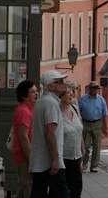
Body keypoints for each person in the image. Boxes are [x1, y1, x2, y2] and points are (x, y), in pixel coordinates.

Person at [29, 70, 69, 198]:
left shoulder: (42, 101)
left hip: (41, 161)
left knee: (39, 192)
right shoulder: (51, 103)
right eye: (59, 81)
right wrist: (56, 159)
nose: (63, 83)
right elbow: (50, 133)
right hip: (49, 162)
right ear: (50, 86)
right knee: (61, 193)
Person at [11, 80, 38, 198]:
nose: (36, 94)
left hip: (25, 155)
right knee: (27, 185)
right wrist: (31, 159)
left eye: (36, 91)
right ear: (24, 95)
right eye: (32, 92)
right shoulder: (23, 111)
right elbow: (24, 138)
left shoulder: (29, 109)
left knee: (24, 185)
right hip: (24, 156)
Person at [78, 81, 108, 173]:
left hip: (97, 123)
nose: (95, 90)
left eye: (96, 89)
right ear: (89, 89)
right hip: (85, 123)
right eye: (93, 88)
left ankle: (94, 166)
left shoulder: (101, 100)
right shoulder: (82, 99)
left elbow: (105, 114)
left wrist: (106, 128)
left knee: (97, 146)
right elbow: (78, 113)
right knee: (85, 146)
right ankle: (84, 164)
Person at [61, 83, 84, 197]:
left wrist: (82, 151)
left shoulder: (75, 108)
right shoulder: (57, 111)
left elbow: (79, 130)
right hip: (63, 158)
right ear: (61, 95)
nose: (71, 94)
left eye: (72, 92)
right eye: (68, 92)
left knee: (77, 188)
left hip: (76, 157)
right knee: (64, 190)